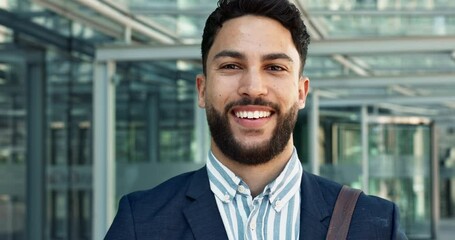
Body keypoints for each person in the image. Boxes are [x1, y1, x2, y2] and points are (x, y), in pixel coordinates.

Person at [105, 0, 407, 239]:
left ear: (301, 93)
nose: (252, 87)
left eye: (275, 68)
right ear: (202, 89)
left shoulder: (374, 225)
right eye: (231, 65)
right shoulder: (142, 221)